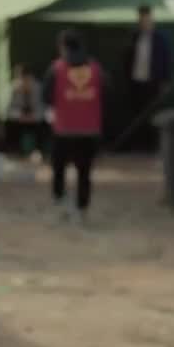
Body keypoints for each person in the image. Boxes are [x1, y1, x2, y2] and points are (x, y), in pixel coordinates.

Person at [43, 30, 104, 225]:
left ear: (62, 47)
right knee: (84, 172)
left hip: (63, 129)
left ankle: (60, 202)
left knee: (59, 168)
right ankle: (82, 208)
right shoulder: (96, 69)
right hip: (89, 129)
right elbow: (107, 94)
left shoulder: (56, 68)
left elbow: (46, 97)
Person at [128, 4, 171, 151]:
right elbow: (128, 58)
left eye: (147, 19)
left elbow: (166, 60)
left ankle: (153, 145)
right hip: (137, 82)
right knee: (137, 114)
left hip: (153, 82)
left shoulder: (160, 39)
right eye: (142, 20)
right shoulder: (135, 37)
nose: (144, 22)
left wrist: (164, 82)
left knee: (153, 113)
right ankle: (140, 144)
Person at [5, 64, 42, 156]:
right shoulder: (14, 89)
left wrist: (33, 116)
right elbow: (9, 110)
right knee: (9, 124)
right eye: (22, 79)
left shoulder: (39, 88)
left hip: (35, 119)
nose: (25, 82)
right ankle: (14, 150)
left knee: (44, 125)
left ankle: (39, 150)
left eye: (27, 79)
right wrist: (20, 116)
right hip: (19, 119)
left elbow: (43, 109)